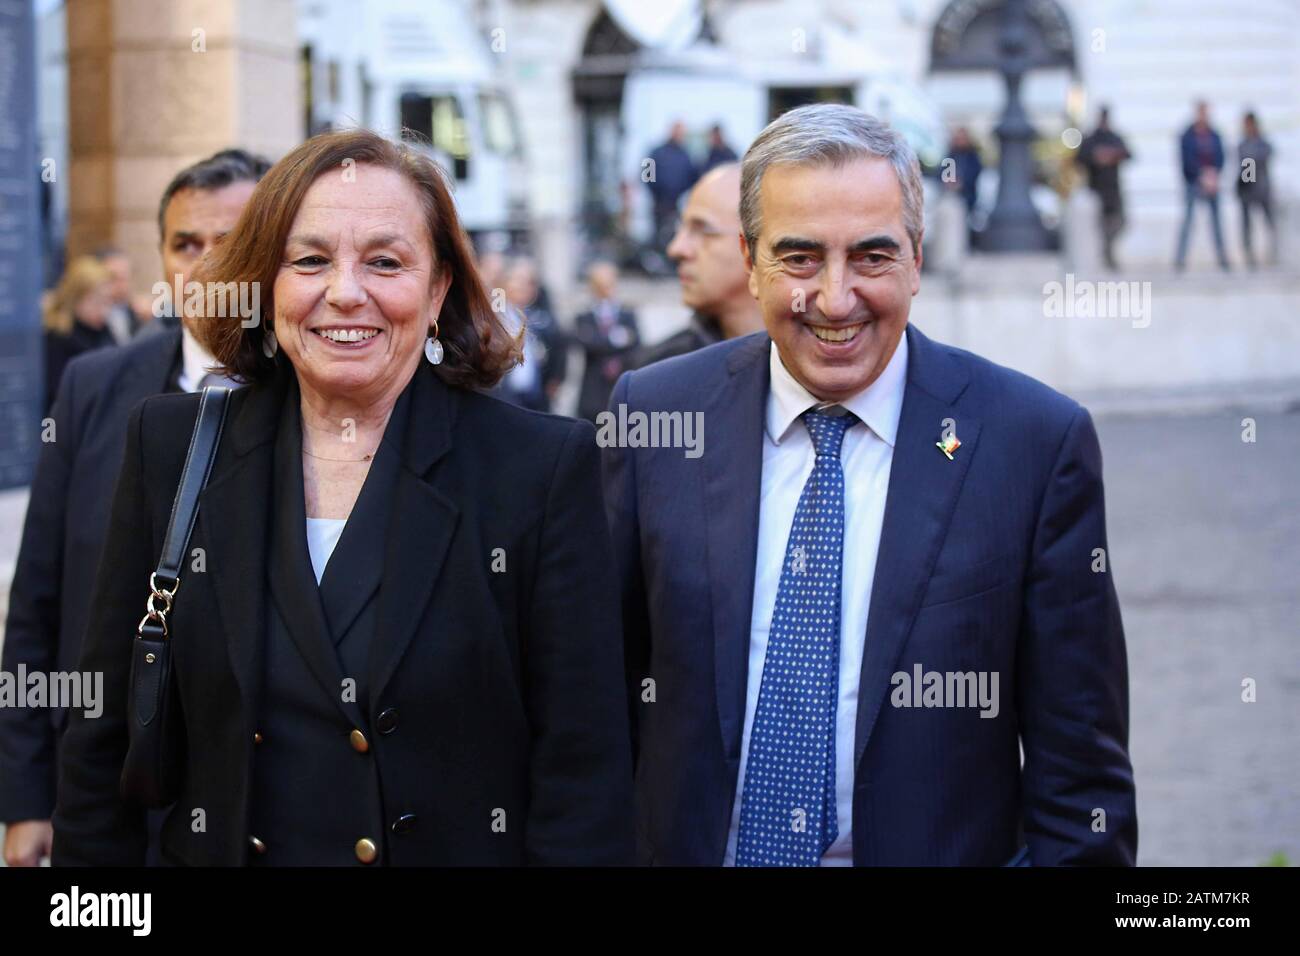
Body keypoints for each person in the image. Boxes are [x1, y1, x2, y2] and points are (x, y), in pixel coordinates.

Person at [51, 129, 633, 867]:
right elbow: (98, 746)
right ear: (266, 281)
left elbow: (584, 776)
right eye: (311, 260)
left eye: (385, 261)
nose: (345, 291)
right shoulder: (172, 445)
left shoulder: (539, 469)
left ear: (440, 287)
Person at [602, 104, 1137, 866]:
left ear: (917, 259)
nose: (835, 297)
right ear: (750, 259)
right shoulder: (654, 419)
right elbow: (591, 709)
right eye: (799, 257)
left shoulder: (1032, 444)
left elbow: (1082, 789)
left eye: (873, 257)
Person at [1, 148, 268, 868]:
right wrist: (25, 798)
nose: (206, 264)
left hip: (252, 807)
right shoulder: (94, 388)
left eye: (231, 240)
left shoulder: (312, 400)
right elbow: (38, 600)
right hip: (107, 799)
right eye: (185, 244)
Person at [634, 162, 763, 368]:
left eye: (701, 229)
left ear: (759, 244)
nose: (676, 249)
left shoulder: (821, 366)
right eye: (682, 229)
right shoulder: (659, 375)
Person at [40, 256, 115, 414]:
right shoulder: (57, 337)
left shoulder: (103, 329)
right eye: (97, 301)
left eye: (108, 302)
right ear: (77, 298)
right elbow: (58, 394)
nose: (105, 310)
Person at [496, 257, 567, 413]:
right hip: (504, 399)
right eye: (518, 280)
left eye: (530, 282)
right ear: (505, 283)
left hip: (536, 398)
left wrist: (555, 380)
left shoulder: (542, 318)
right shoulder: (496, 317)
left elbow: (560, 347)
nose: (524, 287)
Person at [573, 261, 640, 423]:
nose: (605, 289)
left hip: (621, 389)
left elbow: (636, 345)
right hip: (593, 394)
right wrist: (615, 339)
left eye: (609, 284)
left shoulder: (627, 314)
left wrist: (601, 341)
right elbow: (586, 343)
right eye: (600, 285)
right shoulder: (584, 317)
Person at [1175, 101, 1230, 272]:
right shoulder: (1187, 135)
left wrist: (1213, 175)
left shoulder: (1214, 135)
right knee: (1188, 222)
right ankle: (1180, 260)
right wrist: (1201, 175)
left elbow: (1221, 157)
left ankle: (1223, 259)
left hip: (1212, 182)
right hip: (1193, 182)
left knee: (1216, 223)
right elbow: (1186, 161)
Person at [1076, 107, 1133, 270]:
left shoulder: (1114, 138)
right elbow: (1080, 158)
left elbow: (1129, 154)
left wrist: (1113, 155)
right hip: (1096, 188)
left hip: (1114, 188)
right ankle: (1105, 255)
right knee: (1100, 225)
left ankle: (1108, 249)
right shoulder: (1092, 139)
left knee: (1121, 221)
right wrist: (1097, 156)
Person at [645, 121, 698, 258]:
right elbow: (646, 173)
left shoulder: (685, 154)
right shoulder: (656, 152)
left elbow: (691, 176)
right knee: (658, 235)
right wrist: (655, 192)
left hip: (676, 204)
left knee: (675, 233)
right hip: (659, 203)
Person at [1236, 111, 1276, 269]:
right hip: (1247, 191)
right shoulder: (1243, 144)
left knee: (1270, 223)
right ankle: (1250, 257)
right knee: (1247, 226)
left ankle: (1272, 254)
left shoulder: (1263, 144)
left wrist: (1250, 158)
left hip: (1262, 190)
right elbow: (1247, 169)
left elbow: (1254, 160)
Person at [92, 246, 143, 343]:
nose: (122, 286)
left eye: (126, 278)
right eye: (113, 278)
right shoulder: (90, 319)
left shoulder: (138, 315)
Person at [946, 126, 983, 215]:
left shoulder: (972, 156)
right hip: (951, 196)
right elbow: (943, 172)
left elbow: (974, 173)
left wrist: (962, 183)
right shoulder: (952, 155)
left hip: (967, 197)